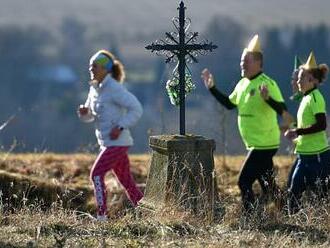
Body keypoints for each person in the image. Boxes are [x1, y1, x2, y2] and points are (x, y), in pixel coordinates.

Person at [201, 34, 294, 212]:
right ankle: (289, 210)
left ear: (258, 63)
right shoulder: (242, 83)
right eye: (242, 61)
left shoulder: (268, 83)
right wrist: (212, 88)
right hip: (254, 143)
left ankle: (251, 218)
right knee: (267, 185)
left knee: (243, 181)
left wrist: (267, 99)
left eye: (246, 61)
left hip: (265, 143)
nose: (242, 64)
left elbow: (282, 109)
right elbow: (229, 105)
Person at [78, 49, 144, 220]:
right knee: (127, 182)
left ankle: (102, 217)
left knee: (96, 174)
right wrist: (85, 113)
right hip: (106, 143)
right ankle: (147, 214)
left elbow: (136, 109)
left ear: (106, 69)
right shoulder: (94, 89)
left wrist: (120, 126)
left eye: (95, 66)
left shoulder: (114, 88)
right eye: (90, 66)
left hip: (119, 143)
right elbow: (91, 117)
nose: (91, 69)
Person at [284, 51, 330, 214]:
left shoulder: (316, 98)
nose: (298, 81)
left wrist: (298, 131)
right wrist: (295, 132)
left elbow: (321, 125)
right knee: (293, 193)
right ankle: (295, 230)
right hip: (304, 156)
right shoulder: (305, 98)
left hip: (318, 157)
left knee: (323, 197)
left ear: (312, 80)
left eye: (301, 77)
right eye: (298, 78)